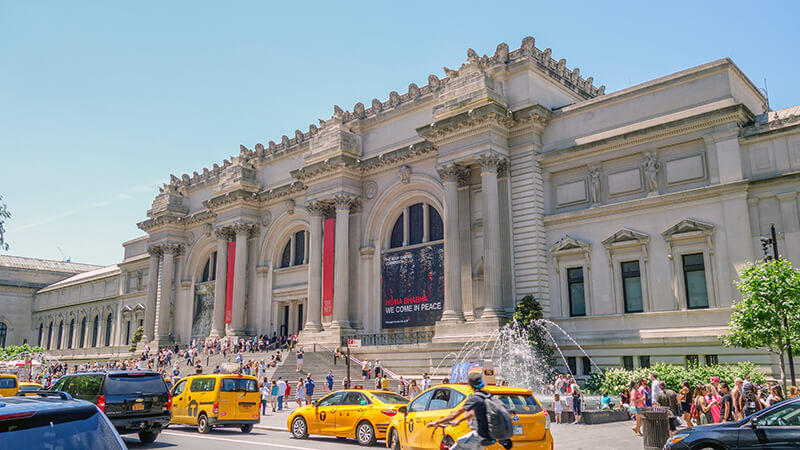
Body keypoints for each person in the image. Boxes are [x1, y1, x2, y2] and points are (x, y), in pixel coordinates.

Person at [428, 372, 513, 450]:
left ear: (470, 385)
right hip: (489, 436)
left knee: (459, 443)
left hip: (480, 435)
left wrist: (437, 422)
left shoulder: (475, 398)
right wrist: (460, 420)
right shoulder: (487, 396)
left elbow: (453, 415)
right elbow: (473, 413)